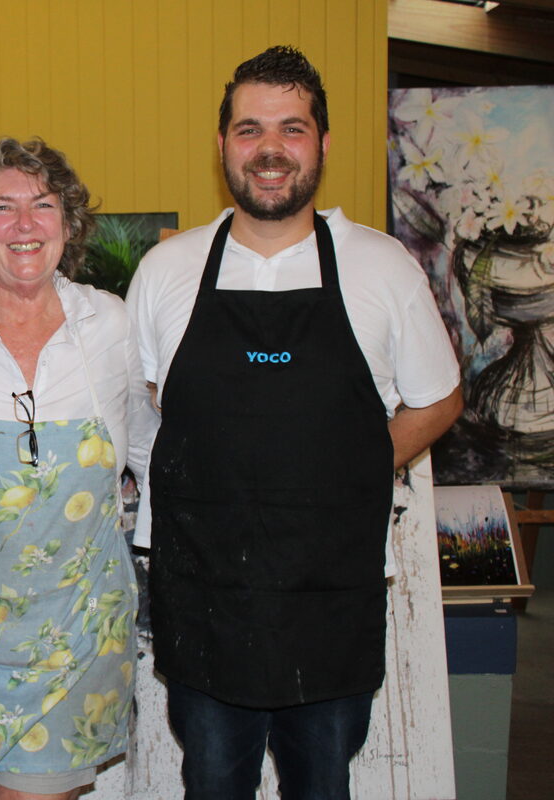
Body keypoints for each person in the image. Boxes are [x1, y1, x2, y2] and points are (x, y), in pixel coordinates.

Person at [126, 46, 464, 800]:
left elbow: (439, 398)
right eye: (249, 130)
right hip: (207, 597)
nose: (270, 149)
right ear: (221, 146)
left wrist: (353, 464)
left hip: (329, 595)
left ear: (323, 144)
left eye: (292, 128)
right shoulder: (168, 270)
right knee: (212, 781)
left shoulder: (382, 267)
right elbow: (153, 399)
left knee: (322, 785)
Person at [0, 137, 152, 800]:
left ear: (68, 225)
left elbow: (149, 449)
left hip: (82, 629)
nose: (24, 225)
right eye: (2, 208)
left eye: (43, 205)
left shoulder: (109, 322)